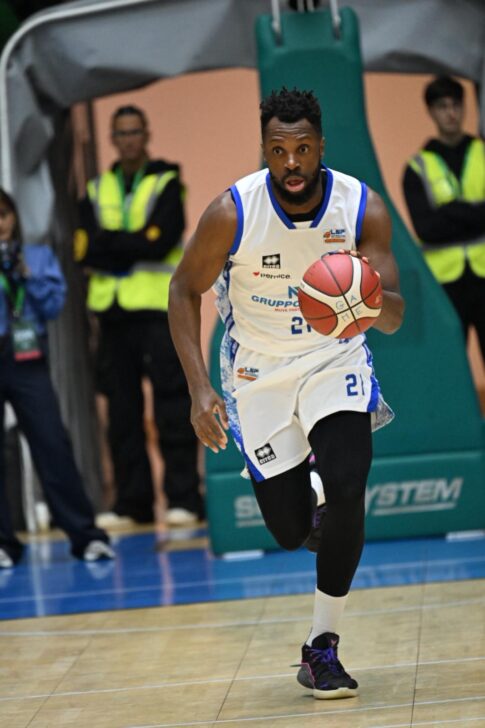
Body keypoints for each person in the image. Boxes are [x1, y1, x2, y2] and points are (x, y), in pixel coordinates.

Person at [168, 88, 404, 699]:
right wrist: (198, 388)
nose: (291, 162)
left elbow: (396, 315)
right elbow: (181, 290)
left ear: (321, 146)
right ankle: (314, 502)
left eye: (302, 149)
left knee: (350, 481)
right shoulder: (232, 212)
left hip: (333, 357)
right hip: (259, 372)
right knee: (289, 527)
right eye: (278, 150)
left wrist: (364, 299)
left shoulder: (361, 207)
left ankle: (322, 646)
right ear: (264, 151)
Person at [74, 105, 203, 527]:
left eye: (134, 131)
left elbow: (160, 241)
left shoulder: (166, 181)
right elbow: (84, 249)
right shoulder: (97, 189)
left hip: (156, 310)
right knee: (122, 413)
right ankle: (133, 504)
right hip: (112, 315)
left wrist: (110, 243)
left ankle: (184, 498)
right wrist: (130, 241)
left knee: (172, 403)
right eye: (121, 133)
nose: (128, 139)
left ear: (146, 134)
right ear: (112, 139)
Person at [0, 188, 115, 569]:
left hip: (27, 358)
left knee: (52, 444)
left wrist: (25, 277)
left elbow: (53, 305)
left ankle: (86, 537)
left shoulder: (35, 256)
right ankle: (3, 544)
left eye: (3, 215)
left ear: (13, 217)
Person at [403, 75, 485, 366]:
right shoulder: (417, 168)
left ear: (465, 107)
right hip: (445, 284)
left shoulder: (482, 153)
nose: (451, 113)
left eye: (456, 105)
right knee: (452, 364)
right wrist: (475, 212)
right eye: (442, 106)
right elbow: (427, 229)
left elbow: (438, 223)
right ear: (431, 111)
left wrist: (449, 209)